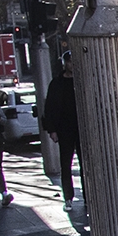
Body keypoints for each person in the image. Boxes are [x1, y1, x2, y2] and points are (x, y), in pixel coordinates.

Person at [42, 55, 83, 208]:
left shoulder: (81, 81)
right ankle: (68, 197)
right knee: (66, 164)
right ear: (65, 64)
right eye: (69, 62)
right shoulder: (57, 83)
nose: (72, 65)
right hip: (64, 128)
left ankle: (87, 198)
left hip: (81, 128)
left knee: (84, 165)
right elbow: (50, 108)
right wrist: (52, 129)